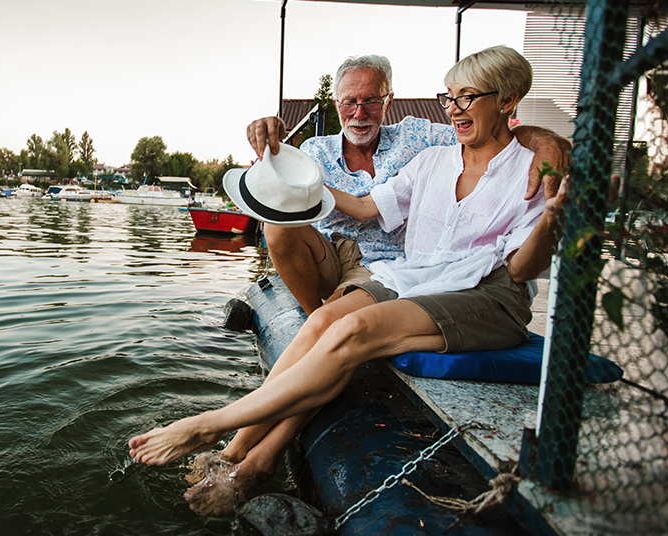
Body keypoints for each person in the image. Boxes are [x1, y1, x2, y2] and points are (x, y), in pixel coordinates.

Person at [130, 46, 569, 515]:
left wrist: (551, 207)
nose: (455, 108)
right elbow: (363, 207)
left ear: (507, 100)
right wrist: (289, 180)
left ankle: (214, 429)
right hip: (415, 276)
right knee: (321, 325)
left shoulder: (527, 169)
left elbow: (522, 270)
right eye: (450, 98)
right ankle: (239, 452)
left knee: (352, 332)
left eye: (467, 97)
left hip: (487, 289)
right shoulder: (435, 162)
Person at [245, 54, 568, 316]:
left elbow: (491, 132)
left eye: (371, 100)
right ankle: (311, 317)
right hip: (327, 253)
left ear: (389, 101)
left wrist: (544, 140)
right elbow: (282, 191)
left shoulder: (423, 138)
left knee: (345, 315)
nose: (359, 113)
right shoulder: (315, 150)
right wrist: (270, 145)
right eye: (349, 102)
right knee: (278, 226)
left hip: (386, 264)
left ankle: (327, 326)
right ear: (336, 103)